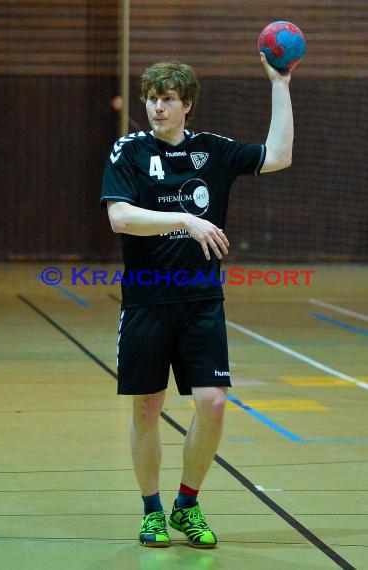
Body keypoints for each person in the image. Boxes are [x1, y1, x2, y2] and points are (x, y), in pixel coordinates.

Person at [100, 54, 294, 548]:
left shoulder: (214, 150)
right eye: (152, 99)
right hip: (146, 300)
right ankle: (151, 509)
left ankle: (187, 504)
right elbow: (120, 217)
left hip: (202, 301)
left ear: (187, 104)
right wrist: (185, 220)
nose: (157, 108)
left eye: (167, 100)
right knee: (147, 406)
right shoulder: (129, 150)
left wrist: (281, 83)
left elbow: (278, 155)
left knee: (212, 403)